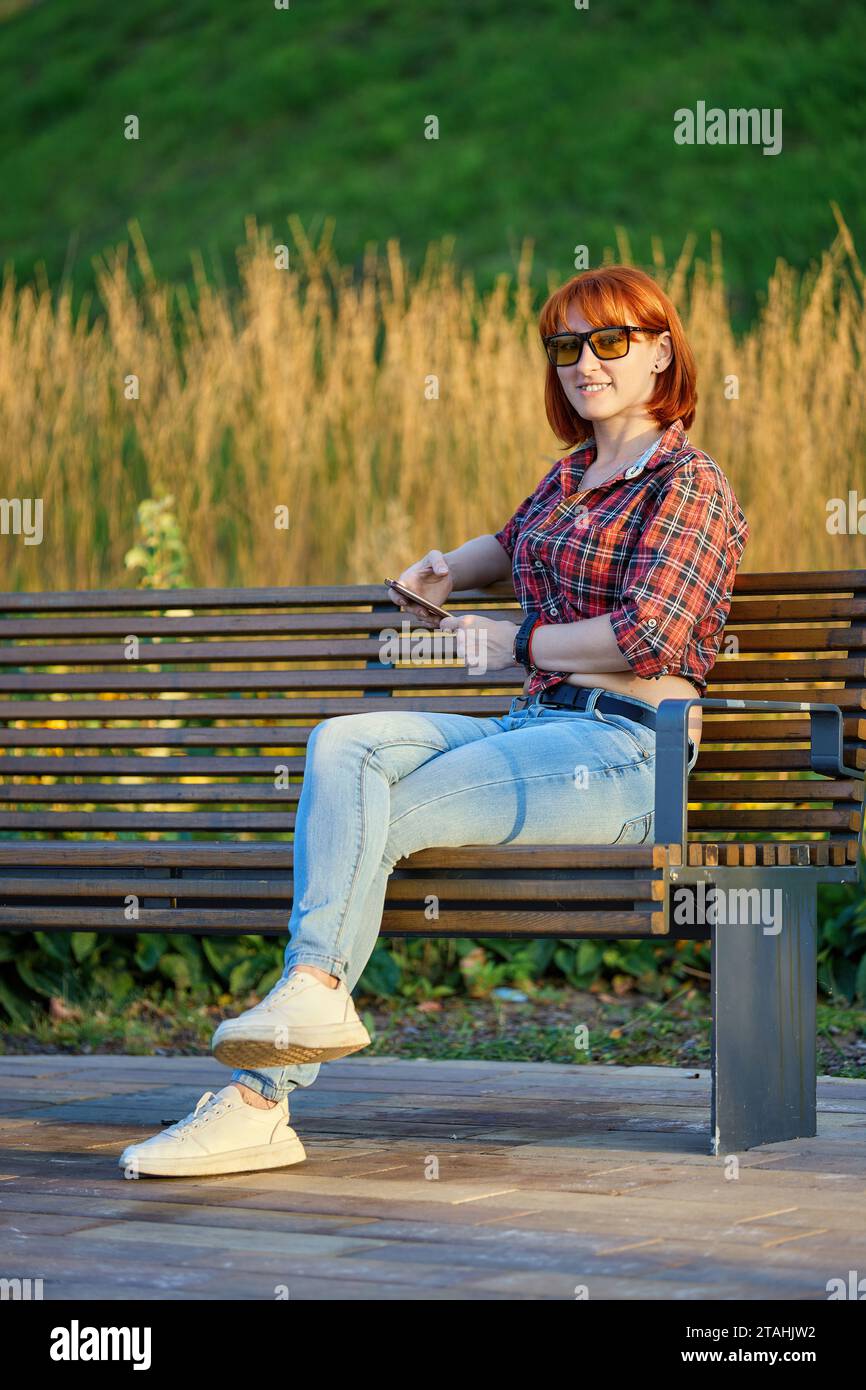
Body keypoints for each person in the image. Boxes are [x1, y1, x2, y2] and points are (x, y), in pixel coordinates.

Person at [119, 264, 749, 1178]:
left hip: (624, 755)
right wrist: (444, 568)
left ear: (659, 352)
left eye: (609, 341)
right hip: (533, 731)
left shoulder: (689, 484)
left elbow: (653, 633)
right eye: (566, 346)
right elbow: (514, 541)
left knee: (384, 814)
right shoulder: (573, 474)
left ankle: (264, 1095)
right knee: (346, 741)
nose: (585, 363)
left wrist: (520, 642)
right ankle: (308, 1006)